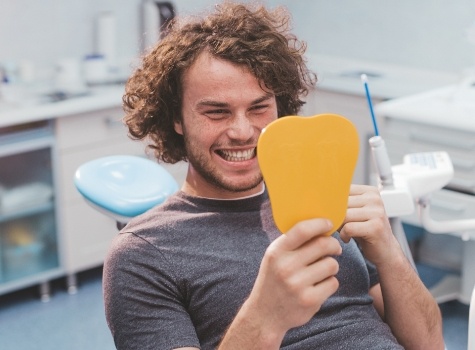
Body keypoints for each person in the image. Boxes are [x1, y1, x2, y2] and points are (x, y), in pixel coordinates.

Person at [103, 2, 444, 349]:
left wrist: (389, 253)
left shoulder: (321, 201)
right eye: (217, 112)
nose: (241, 131)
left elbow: (430, 344)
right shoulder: (141, 255)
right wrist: (266, 316)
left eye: (259, 108)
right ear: (176, 119)